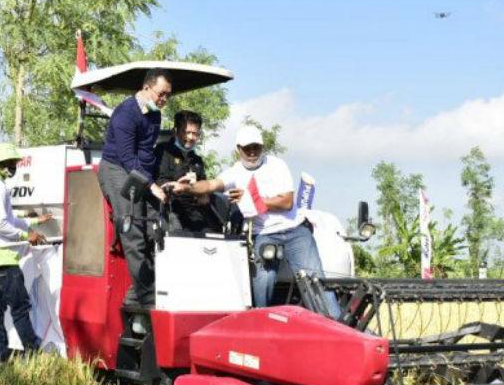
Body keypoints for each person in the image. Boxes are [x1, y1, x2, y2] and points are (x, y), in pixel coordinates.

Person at [173, 125, 341, 316]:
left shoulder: (277, 165)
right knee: (263, 279)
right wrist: (187, 188)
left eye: (256, 147)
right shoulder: (235, 172)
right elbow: (211, 184)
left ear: (262, 147)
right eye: (247, 148)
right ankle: (262, 319)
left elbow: (286, 202)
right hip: (265, 234)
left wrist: (253, 200)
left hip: (294, 230)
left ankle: (336, 324)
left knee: (314, 279)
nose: (252, 152)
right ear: (238, 149)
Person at [97, 68, 172, 308]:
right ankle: (150, 301)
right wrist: (150, 185)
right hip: (117, 169)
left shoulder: (154, 115)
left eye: (168, 96)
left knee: (160, 229)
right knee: (133, 232)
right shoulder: (125, 113)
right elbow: (128, 158)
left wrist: (157, 183)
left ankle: (134, 297)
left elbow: (146, 155)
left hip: (139, 172)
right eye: (161, 94)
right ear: (147, 87)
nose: (164, 100)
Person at [0, 143, 51, 361]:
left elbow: (10, 219)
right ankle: (32, 350)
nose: (13, 167)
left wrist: (34, 222)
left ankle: (1, 356)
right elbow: (1, 225)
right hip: (2, 258)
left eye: (14, 163)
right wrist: (26, 237)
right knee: (20, 307)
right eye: (9, 163)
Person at [154, 110, 220, 235]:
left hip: (194, 211)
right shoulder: (162, 151)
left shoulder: (197, 161)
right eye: (187, 132)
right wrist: (179, 185)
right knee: (179, 235)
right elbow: (159, 181)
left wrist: (199, 191)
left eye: (195, 133)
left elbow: (204, 196)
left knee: (212, 236)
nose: (190, 137)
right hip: (169, 207)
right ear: (175, 131)